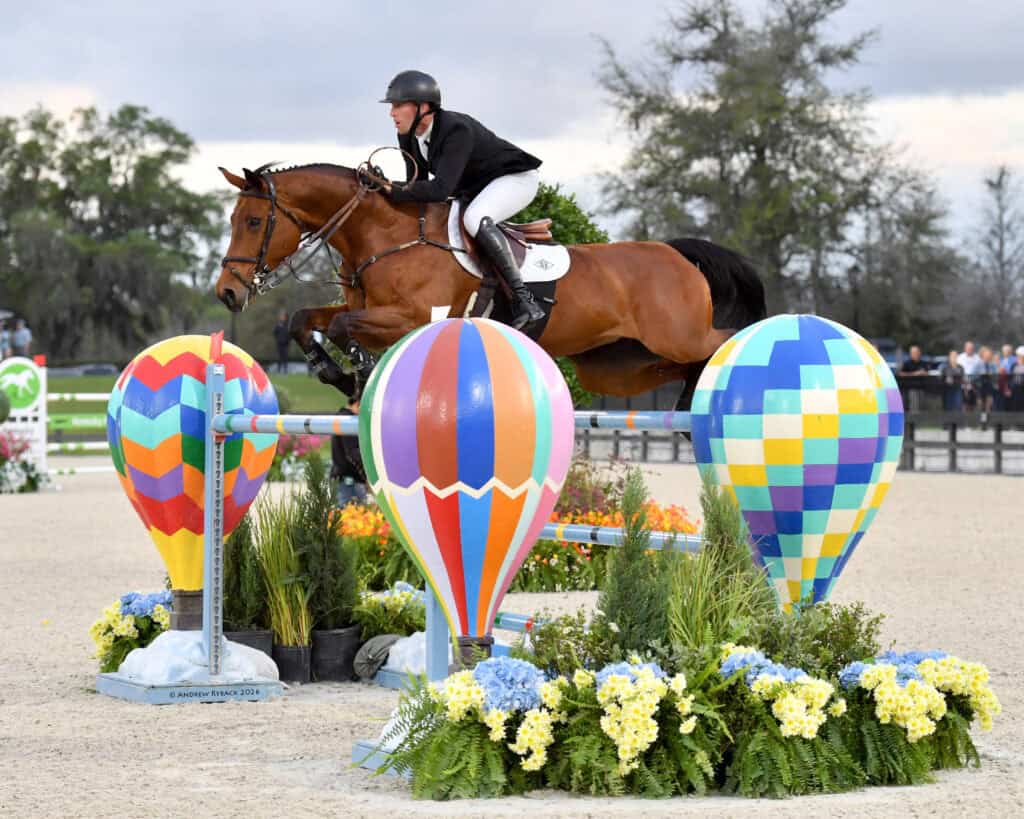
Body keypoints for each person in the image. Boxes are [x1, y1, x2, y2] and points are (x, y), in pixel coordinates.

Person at [380, 69, 545, 331]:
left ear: (423, 107)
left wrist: (392, 189)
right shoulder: (407, 136)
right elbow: (417, 186)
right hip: (477, 186)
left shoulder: (456, 129)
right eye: (392, 107)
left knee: (474, 218)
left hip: (514, 178)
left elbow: (438, 190)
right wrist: (381, 188)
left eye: (399, 106)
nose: (392, 114)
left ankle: (524, 300)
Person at [331, 396, 368, 506]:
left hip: (343, 480)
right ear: (358, 404)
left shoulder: (341, 418)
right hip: (350, 482)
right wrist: (367, 476)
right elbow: (354, 454)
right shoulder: (349, 421)